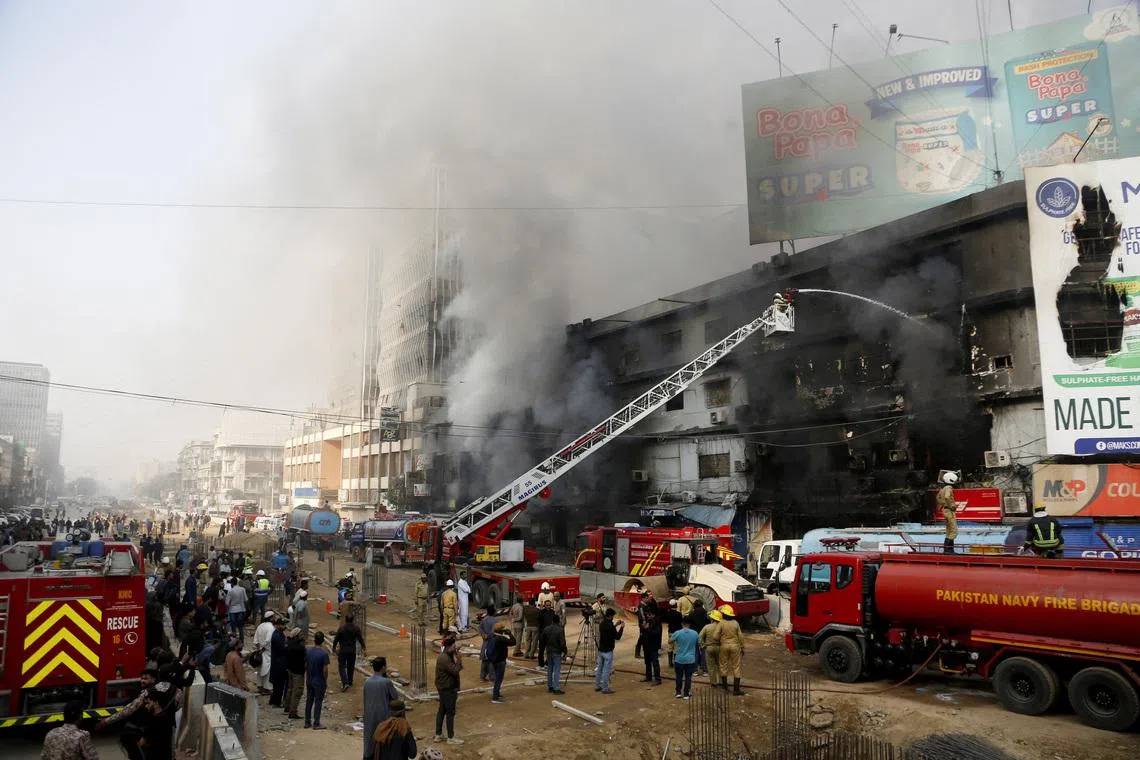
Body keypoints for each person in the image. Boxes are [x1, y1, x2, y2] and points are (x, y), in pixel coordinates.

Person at [362, 656, 400, 760]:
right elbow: (395, 698)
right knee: (382, 745)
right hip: (383, 718)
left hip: (369, 717)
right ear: (383, 668)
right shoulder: (386, 682)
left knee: (369, 743)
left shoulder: (367, 682)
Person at [433, 636, 465, 745]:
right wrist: (459, 659)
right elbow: (455, 671)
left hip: (444, 687)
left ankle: (438, 734)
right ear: (448, 647)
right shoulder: (444, 658)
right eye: (453, 646)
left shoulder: (445, 655)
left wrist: (456, 652)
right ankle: (450, 737)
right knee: (450, 712)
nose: (455, 647)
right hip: (447, 689)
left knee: (442, 710)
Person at [715, 604, 745, 696]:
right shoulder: (735, 623)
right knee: (736, 667)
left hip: (724, 646)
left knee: (723, 666)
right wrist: (742, 647)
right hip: (735, 646)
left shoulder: (721, 623)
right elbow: (740, 636)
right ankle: (736, 690)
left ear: (724, 614)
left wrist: (721, 639)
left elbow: (715, 636)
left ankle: (725, 688)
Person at [333, 614, 367, 691]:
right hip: (352, 651)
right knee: (350, 666)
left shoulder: (341, 629)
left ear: (345, 619)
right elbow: (360, 639)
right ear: (353, 620)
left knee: (341, 666)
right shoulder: (356, 629)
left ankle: (345, 683)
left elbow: (336, 639)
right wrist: (364, 648)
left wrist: (334, 648)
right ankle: (350, 681)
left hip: (343, 650)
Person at [304, 631, 330, 729]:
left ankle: (307, 722)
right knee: (318, 701)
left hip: (310, 679)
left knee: (309, 700)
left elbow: (305, 665)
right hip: (319, 681)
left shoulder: (308, 651)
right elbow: (325, 669)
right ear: (323, 641)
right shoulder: (324, 654)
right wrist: (325, 680)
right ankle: (316, 723)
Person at [595, 608, 623, 694]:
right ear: (610, 616)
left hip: (601, 649)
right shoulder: (610, 625)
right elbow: (617, 637)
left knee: (599, 668)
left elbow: (609, 630)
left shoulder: (602, 624)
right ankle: (605, 688)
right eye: (613, 616)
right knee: (606, 670)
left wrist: (615, 625)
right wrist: (621, 627)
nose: (613, 618)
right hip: (608, 650)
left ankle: (597, 686)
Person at [670, 618, 699, 699]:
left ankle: (678, 692)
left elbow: (670, 641)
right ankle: (686, 694)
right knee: (688, 677)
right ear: (689, 624)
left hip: (679, 659)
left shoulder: (678, 633)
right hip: (690, 659)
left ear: (682, 624)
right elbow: (699, 642)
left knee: (679, 676)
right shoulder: (695, 633)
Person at [488, 621, 516, 704]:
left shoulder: (492, 636)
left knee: (497, 678)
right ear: (500, 630)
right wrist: (510, 634)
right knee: (499, 679)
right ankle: (495, 697)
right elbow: (513, 642)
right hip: (500, 661)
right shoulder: (501, 638)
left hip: (494, 660)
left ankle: (497, 694)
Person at [284, 628, 307, 719]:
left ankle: (287, 706)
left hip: (290, 670)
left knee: (290, 689)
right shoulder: (300, 648)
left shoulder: (289, 644)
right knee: (297, 692)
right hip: (298, 672)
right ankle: (293, 711)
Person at [540, 612, 566, 694]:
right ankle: (556, 688)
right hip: (557, 652)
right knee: (557, 670)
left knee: (550, 669)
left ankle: (550, 686)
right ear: (558, 621)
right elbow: (562, 643)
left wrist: (542, 651)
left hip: (549, 651)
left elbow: (542, 640)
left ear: (552, 621)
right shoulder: (560, 630)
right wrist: (565, 652)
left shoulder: (546, 629)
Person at [639, 603, 663, 686]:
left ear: (653, 615)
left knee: (655, 662)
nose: (647, 616)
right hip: (646, 644)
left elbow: (656, 633)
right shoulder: (649, 621)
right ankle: (648, 676)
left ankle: (657, 679)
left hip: (653, 645)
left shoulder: (657, 622)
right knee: (647, 662)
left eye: (649, 615)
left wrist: (647, 629)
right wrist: (643, 628)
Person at [937, 471, 960, 554]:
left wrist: (942, 506)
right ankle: (949, 550)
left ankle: (947, 549)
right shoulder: (948, 488)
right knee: (954, 531)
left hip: (945, 510)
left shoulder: (942, 489)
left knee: (948, 530)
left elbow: (938, 498)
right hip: (949, 511)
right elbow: (947, 497)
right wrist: (952, 505)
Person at [253, 611, 276, 694]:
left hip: (260, 651)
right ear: (271, 618)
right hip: (267, 652)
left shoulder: (260, 626)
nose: (275, 618)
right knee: (267, 670)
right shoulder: (271, 627)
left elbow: (255, 640)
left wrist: (259, 648)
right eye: (274, 617)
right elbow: (268, 640)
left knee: (260, 669)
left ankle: (260, 686)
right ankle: (266, 688)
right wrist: (262, 648)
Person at [269, 616, 289, 706]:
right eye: (282, 624)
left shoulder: (280, 634)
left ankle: (273, 700)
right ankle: (276, 702)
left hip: (279, 661)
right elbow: (284, 647)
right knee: (279, 684)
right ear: (277, 625)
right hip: (279, 663)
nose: (284, 626)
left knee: (278, 684)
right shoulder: (277, 636)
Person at [699, 610, 723, 683]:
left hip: (709, 648)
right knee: (720, 666)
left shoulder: (707, 627)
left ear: (712, 618)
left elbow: (699, 637)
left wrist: (703, 645)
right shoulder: (722, 627)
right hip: (719, 648)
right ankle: (721, 681)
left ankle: (713, 682)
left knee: (711, 666)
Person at [478, 605, 497, 681]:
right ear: (494, 612)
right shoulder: (495, 621)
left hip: (485, 642)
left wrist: (484, 635)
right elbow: (494, 631)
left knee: (484, 660)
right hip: (492, 642)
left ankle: (482, 677)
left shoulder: (484, 619)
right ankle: (491, 676)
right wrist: (488, 636)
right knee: (492, 660)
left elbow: (479, 627)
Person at [225, 576, 248, 641]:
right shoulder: (242, 589)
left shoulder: (230, 591)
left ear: (232, 583)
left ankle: (234, 640)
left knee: (233, 626)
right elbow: (246, 600)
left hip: (232, 610)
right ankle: (242, 639)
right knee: (240, 625)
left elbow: (227, 603)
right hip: (241, 610)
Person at [663, 599, 683, 668]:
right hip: (678, 632)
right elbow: (681, 622)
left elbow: (666, 620)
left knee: (670, 647)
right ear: (676, 605)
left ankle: (670, 663)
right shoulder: (679, 614)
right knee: (676, 648)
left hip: (670, 632)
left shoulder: (668, 613)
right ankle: (676, 662)